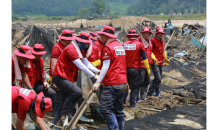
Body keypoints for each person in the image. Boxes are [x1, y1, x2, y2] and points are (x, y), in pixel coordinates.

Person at [52, 32, 100, 125]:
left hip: (66, 77)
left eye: (87, 43)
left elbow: (86, 63)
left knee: (62, 102)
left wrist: (97, 71)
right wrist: (93, 76)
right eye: (85, 43)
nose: (86, 45)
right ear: (79, 42)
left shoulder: (80, 50)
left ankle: (55, 124)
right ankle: (65, 112)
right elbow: (80, 65)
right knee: (77, 92)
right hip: (60, 76)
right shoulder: (71, 49)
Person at [92, 26, 127, 130]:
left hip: (112, 82)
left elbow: (106, 66)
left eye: (101, 35)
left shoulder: (108, 48)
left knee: (105, 109)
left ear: (106, 36)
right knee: (118, 110)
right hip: (122, 82)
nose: (100, 37)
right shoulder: (120, 46)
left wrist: (98, 82)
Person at [20, 44, 57, 113]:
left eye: (41, 54)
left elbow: (42, 71)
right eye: (39, 55)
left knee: (52, 93)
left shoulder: (41, 60)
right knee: (29, 101)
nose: (40, 56)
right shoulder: (27, 60)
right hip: (28, 85)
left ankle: (53, 111)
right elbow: (23, 75)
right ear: (33, 53)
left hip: (38, 84)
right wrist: (29, 88)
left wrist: (44, 81)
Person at [47, 29, 75, 113]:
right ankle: (57, 113)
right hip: (59, 76)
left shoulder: (66, 47)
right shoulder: (57, 48)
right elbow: (53, 64)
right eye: (70, 39)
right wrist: (56, 80)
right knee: (59, 96)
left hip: (65, 76)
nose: (71, 41)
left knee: (63, 95)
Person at [122, 29, 150, 107]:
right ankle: (132, 104)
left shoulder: (124, 44)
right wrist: (147, 68)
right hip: (135, 69)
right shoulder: (140, 44)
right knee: (134, 87)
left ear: (128, 37)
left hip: (125, 69)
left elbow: (120, 57)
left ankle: (122, 103)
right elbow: (144, 58)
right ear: (136, 36)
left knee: (125, 87)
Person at [137, 27, 158, 101]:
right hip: (141, 65)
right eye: (144, 33)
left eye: (147, 33)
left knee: (147, 81)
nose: (146, 35)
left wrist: (153, 58)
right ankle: (137, 97)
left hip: (148, 65)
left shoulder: (150, 42)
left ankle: (143, 96)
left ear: (149, 34)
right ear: (142, 34)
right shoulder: (139, 41)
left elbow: (150, 51)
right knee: (140, 81)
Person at [148, 27, 170, 97]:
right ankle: (157, 92)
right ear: (156, 33)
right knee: (158, 78)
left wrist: (165, 58)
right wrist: (153, 58)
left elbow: (162, 50)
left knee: (159, 77)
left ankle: (150, 91)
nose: (160, 35)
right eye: (159, 33)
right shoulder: (152, 40)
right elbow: (149, 51)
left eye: (162, 34)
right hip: (154, 62)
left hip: (160, 62)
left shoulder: (162, 40)